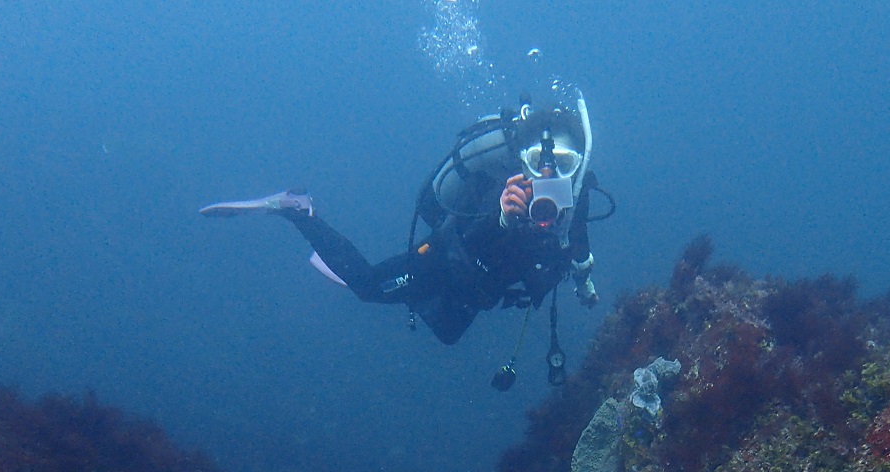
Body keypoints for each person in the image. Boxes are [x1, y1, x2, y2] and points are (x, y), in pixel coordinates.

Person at [201, 92, 601, 351]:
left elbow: (576, 241)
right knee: (368, 286)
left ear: (579, 165)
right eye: (538, 164)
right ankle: (298, 210)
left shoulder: (576, 193)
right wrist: (501, 218)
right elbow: (463, 235)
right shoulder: (503, 187)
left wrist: (584, 280)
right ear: (523, 159)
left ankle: (398, 286)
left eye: (566, 165)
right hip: (446, 260)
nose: (550, 176)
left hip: (482, 286)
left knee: (447, 334)